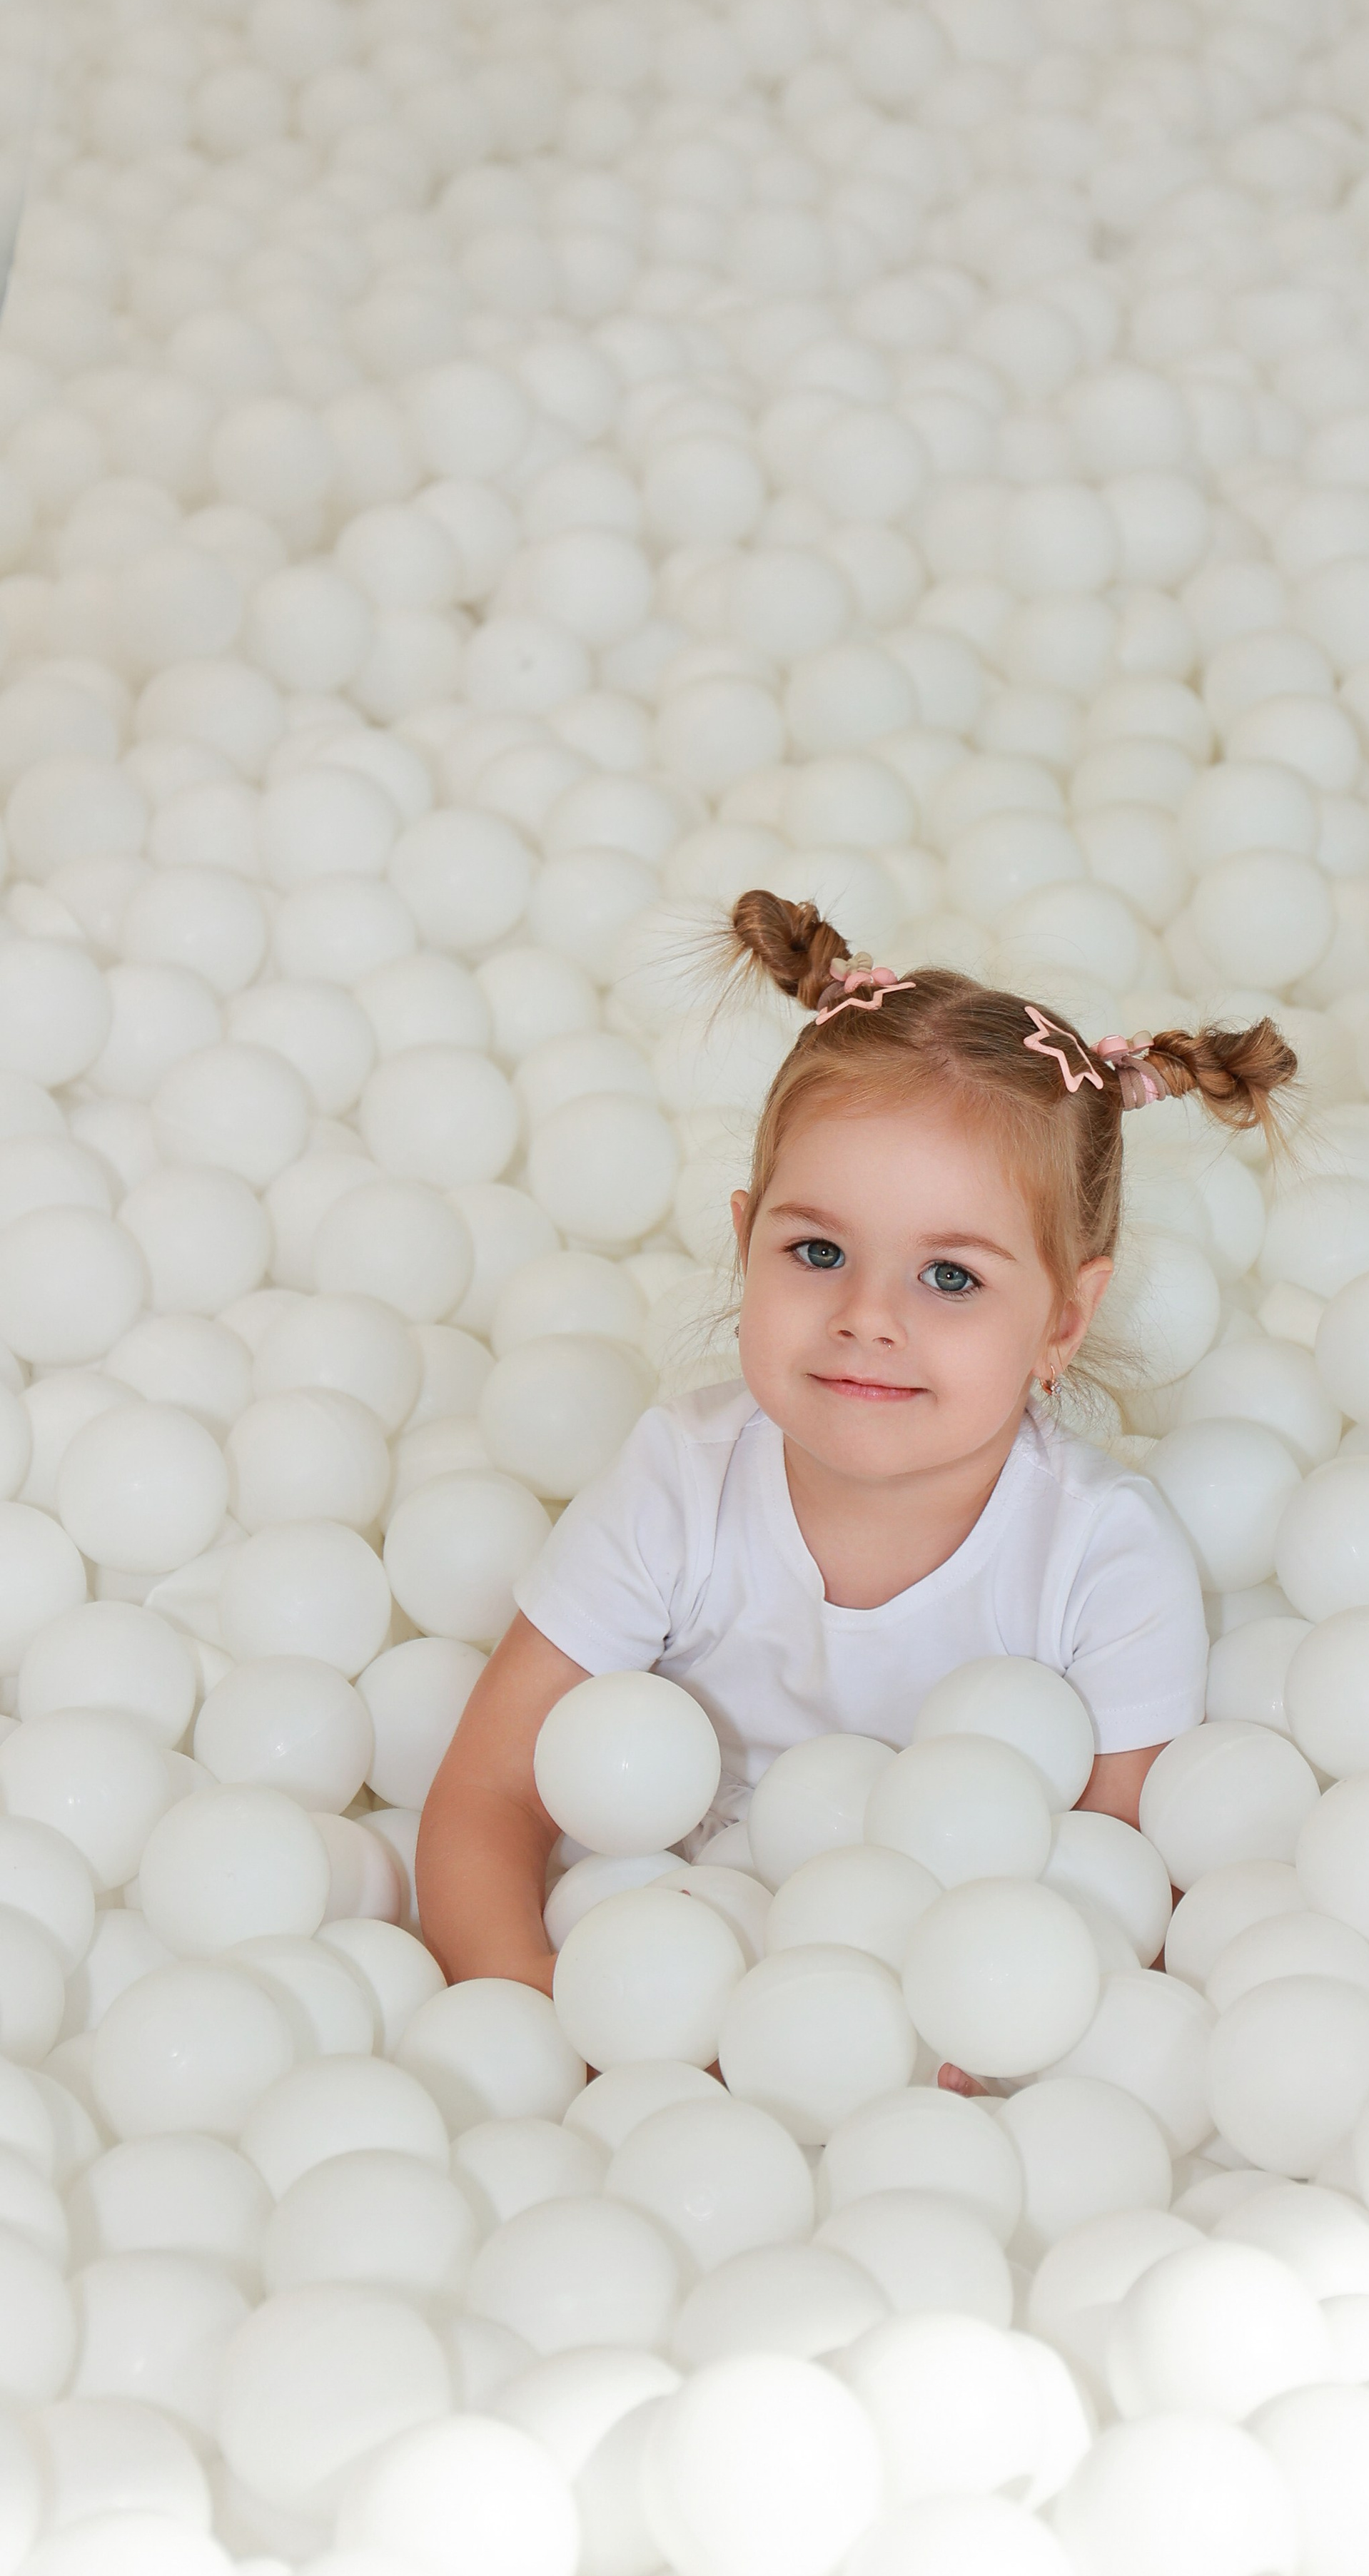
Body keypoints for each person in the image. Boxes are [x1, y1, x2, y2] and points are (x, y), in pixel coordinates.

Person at [416, 889, 1296, 2086]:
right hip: (656, 1957)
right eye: (816, 1253)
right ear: (745, 1244)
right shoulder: (679, 1482)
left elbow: (1118, 1887)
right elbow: (486, 1795)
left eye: (950, 1276)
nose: (867, 1319)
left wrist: (942, 2060)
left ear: (1064, 1321)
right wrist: (544, 2028)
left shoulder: (1102, 1558)